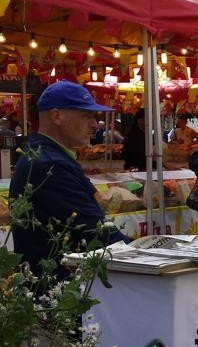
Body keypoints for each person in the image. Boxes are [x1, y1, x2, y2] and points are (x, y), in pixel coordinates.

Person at [10, 81, 131, 278]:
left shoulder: (50, 156)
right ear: (57, 116)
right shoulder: (50, 164)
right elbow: (96, 231)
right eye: (86, 115)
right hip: (56, 289)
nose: (94, 124)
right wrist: (139, 250)